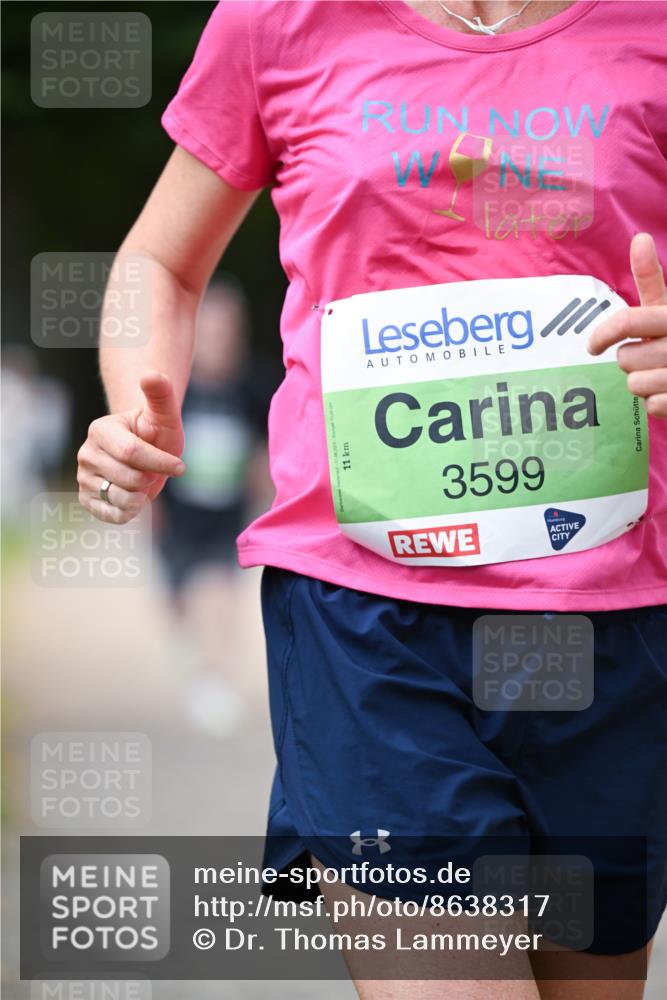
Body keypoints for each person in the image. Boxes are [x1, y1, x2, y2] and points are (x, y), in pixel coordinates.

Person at [76, 2, 667, 996]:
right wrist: (142, 398)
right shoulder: (278, 22)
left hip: (613, 614)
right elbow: (161, 264)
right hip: (366, 621)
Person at [154, 276, 270, 737]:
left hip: (228, 517)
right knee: (182, 603)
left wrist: (266, 502)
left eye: (227, 330)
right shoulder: (173, 389)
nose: (219, 340)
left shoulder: (251, 387)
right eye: (210, 330)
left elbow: (264, 452)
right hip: (179, 520)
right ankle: (196, 660)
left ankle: (217, 678)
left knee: (219, 593)